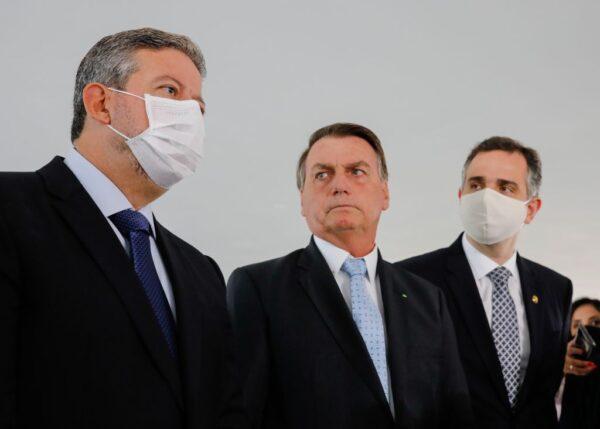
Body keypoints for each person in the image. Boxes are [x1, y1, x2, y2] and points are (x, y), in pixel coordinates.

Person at [0, 28, 244, 429]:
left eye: (198, 107)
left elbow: (224, 408)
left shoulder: (201, 271)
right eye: (170, 92)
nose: (190, 117)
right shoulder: (11, 211)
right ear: (101, 104)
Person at [227, 123, 473, 428]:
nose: (339, 185)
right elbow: (241, 413)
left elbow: (455, 412)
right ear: (302, 200)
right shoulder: (259, 289)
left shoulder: (427, 298)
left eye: (356, 171)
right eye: (322, 174)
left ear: (385, 192)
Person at [397, 136, 572, 428]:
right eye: (476, 185)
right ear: (460, 196)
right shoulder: (410, 280)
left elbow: (544, 387)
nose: (486, 197)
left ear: (531, 209)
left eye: (505, 187)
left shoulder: (555, 288)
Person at [558, 298, 600, 428]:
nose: (586, 329)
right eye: (577, 325)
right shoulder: (557, 374)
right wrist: (559, 369)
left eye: (595, 322)